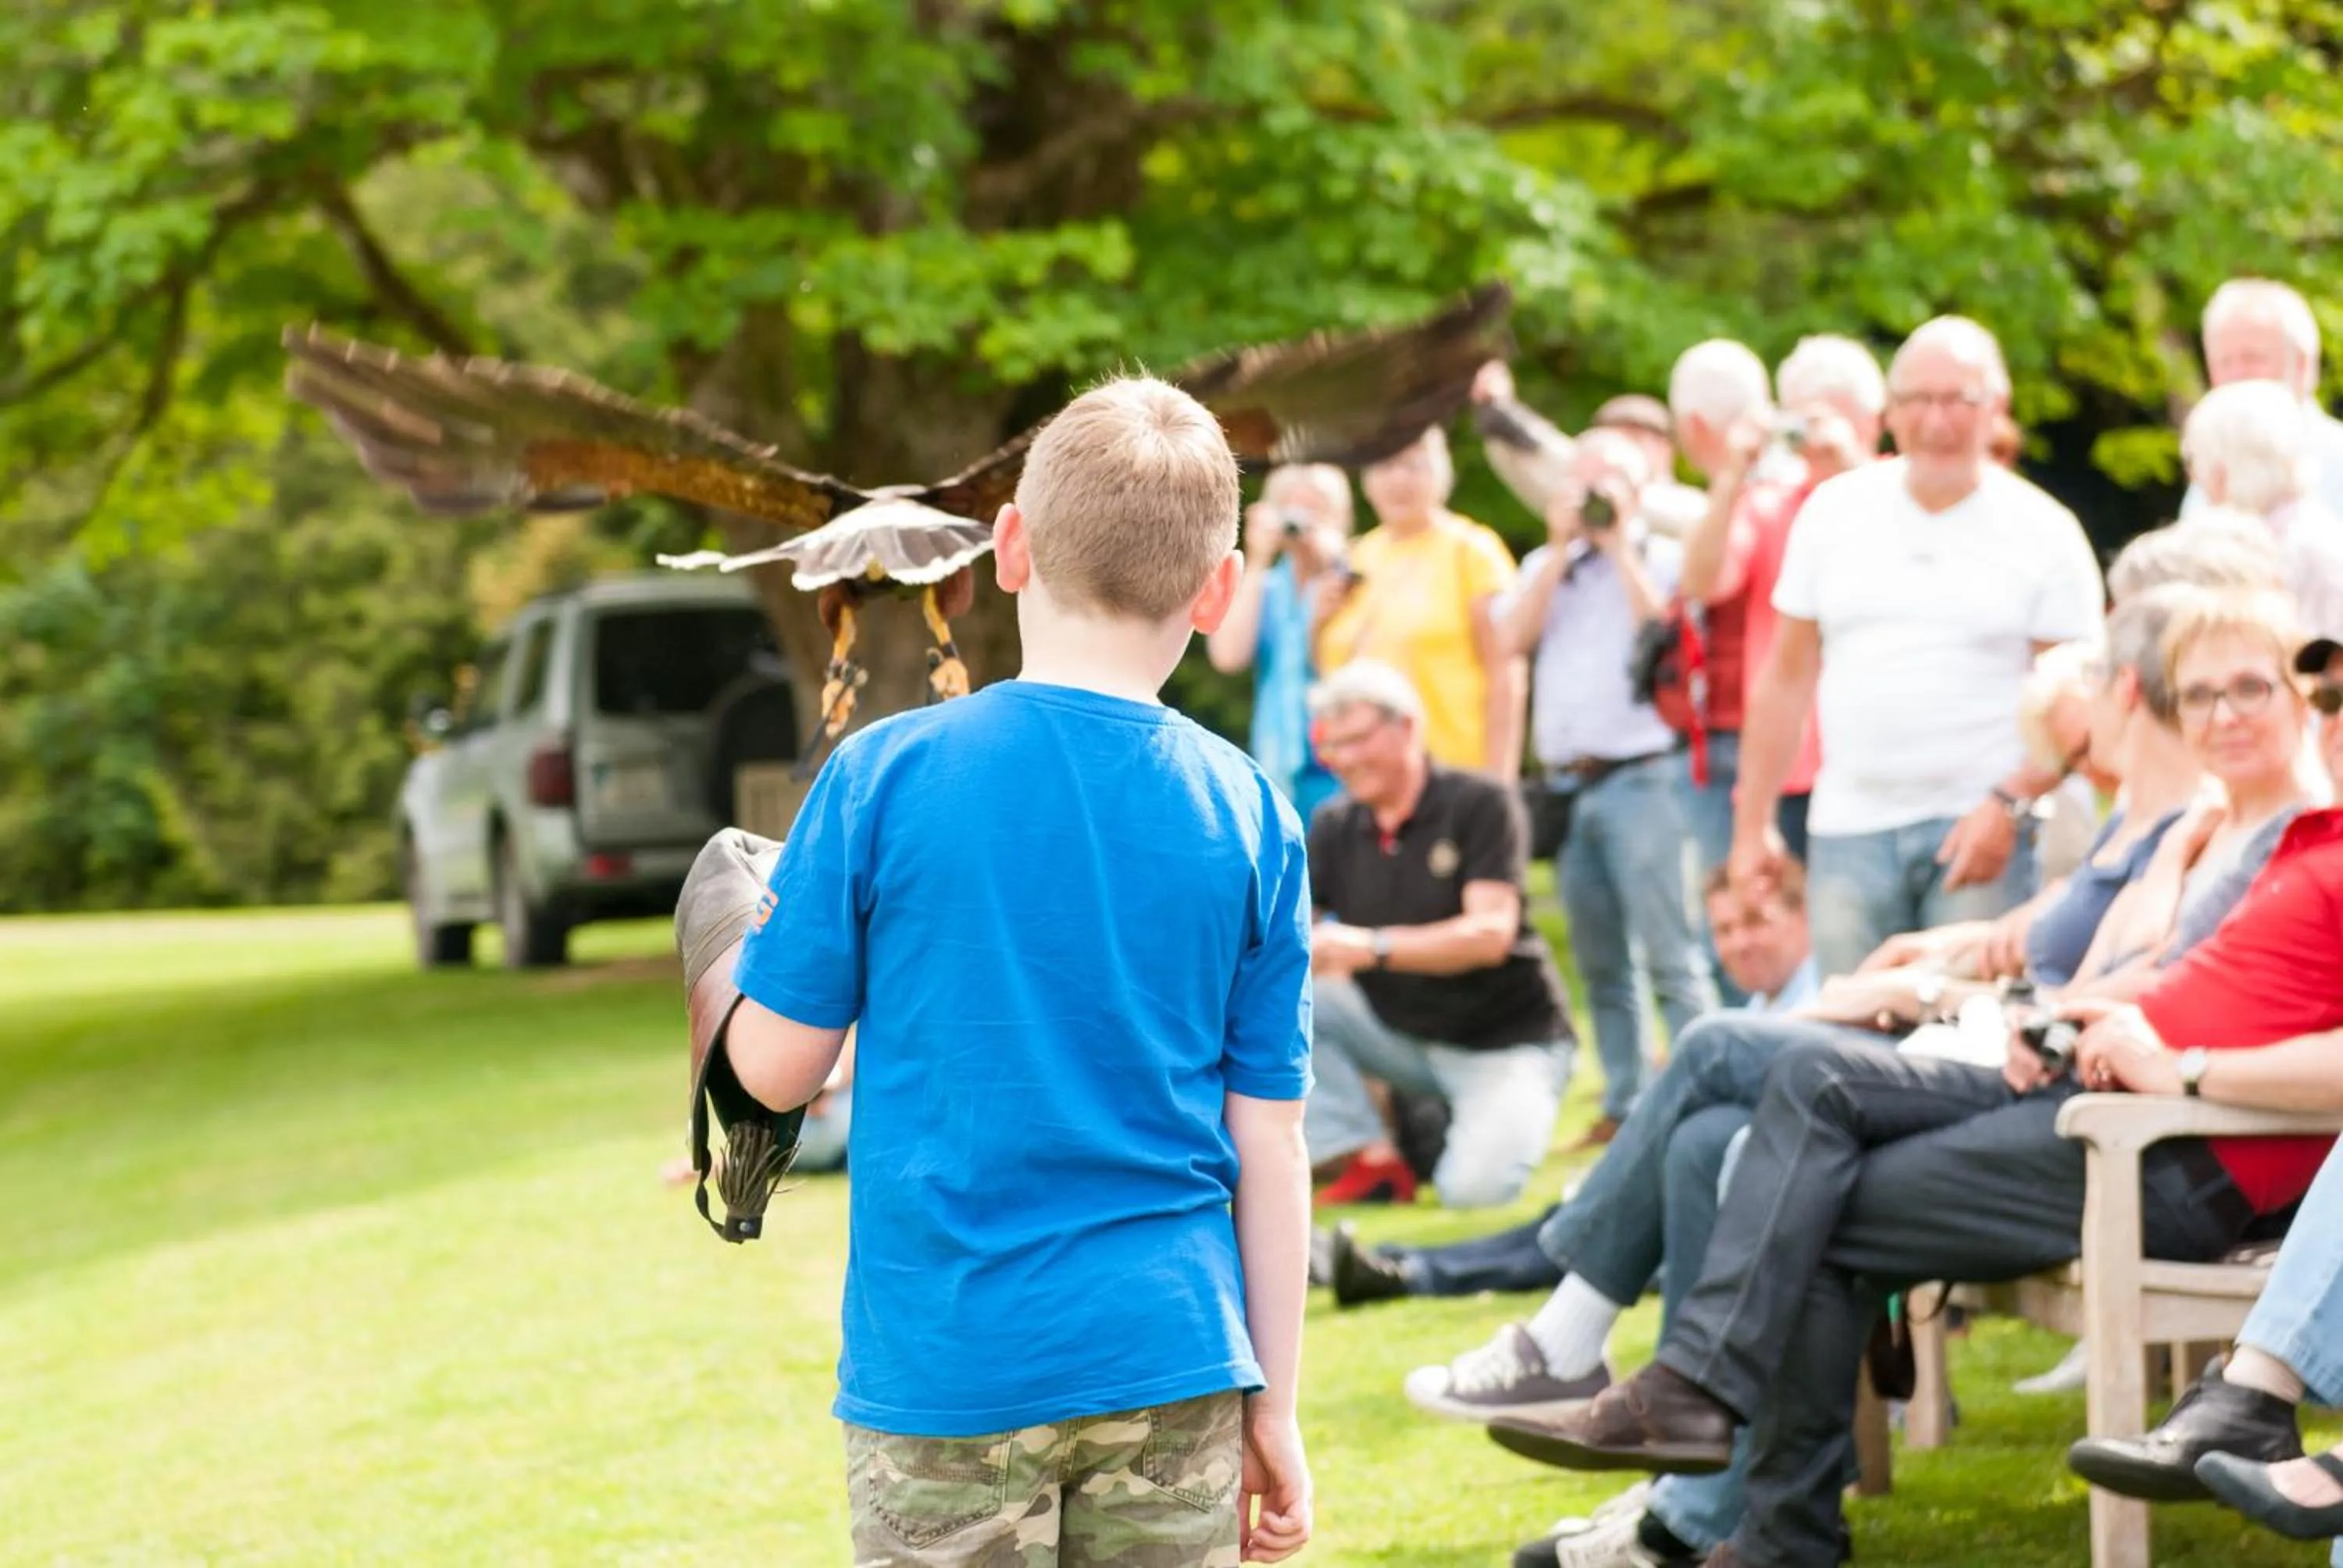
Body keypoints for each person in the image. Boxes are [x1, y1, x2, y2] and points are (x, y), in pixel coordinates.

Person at [1483, 593, 2343, 1568]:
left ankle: (1735, 1476)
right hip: (2081, 1077)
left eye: (2254, 689)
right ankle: (1727, 1469)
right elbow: (2164, 970)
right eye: (2203, 694)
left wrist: (2181, 1068)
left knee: (1802, 1165)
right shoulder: (2274, 839)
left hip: (2159, 1147)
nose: (2229, 712)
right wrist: (2064, 1012)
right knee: (1803, 1104)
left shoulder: (2313, 840)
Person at [716, 376, 1314, 1566]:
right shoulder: (1254, 811)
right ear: (1221, 588)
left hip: (952, 1358)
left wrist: (728, 949)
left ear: (1008, 547)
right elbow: (1272, 1144)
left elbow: (776, 1075)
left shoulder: (883, 776)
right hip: (1175, 1351)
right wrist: (1276, 1405)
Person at [1729, 315, 2106, 978]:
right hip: (1848, 825)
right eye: (1918, 401)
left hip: (1980, 832)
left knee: (1964, 1045)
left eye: (1959, 400)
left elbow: (2080, 702)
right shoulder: (1831, 513)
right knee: (1845, 1041)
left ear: (1996, 408)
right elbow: (1785, 679)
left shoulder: (2044, 531)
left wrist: (2011, 802)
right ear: (1890, 412)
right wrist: (1751, 822)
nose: (1938, 421)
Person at [1318, 861, 1814, 1310]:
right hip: (1698, 1190)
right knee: (1563, 1224)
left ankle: (1403, 1273)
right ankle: (1394, 1263)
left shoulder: (1820, 1001)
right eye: (1725, 930)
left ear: (1804, 919)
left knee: (1578, 1236)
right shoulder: (1760, 1010)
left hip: (1737, 1210)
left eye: (1757, 923)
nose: (1739, 944)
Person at [1496, 427, 1716, 1140]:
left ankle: (1705, 1091)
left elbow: (1669, 632)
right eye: (1579, 481)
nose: (1589, 497)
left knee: (1670, 951)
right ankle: (1625, 1103)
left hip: (1645, 774)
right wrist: (1561, 549)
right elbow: (1508, 642)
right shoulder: (1545, 565)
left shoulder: (1667, 560)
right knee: (1602, 963)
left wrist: (1622, 544)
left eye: (1606, 482)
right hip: (1568, 786)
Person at [1300, 659, 1576, 1208]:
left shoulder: (1480, 803)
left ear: (1407, 727)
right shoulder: (1333, 825)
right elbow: (1294, 938)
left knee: (1471, 1193)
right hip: (1398, 1037)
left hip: (1508, 1043)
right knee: (1282, 996)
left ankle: (1450, 1127)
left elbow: (1489, 934)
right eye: (1333, 748)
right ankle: (1370, 1156)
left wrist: (1370, 948)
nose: (1344, 761)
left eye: (1356, 740)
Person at [1314, 425, 1522, 778]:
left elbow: (1506, 671)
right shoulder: (1357, 556)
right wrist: (1318, 622)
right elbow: (1331, 672)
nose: (1398, 480)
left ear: (1442, 473)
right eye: (1385, 466)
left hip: (1452, 771)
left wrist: (1500, 779)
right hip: (1366, 780)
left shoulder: (1471, 550)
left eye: (1413, 466)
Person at [1206, 462, 1356, 819]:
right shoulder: (1269, 589)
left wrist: (1332, 559)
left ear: (1343, 518)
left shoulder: (1353, 582)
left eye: (1318, 510)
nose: (1303, 522)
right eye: (1293, 509)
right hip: (1278, 770)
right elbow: (1228, 656)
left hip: (1345, 770)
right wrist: (1257, 558)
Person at [2180, 377, 2343, 639]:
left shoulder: (2284, 546)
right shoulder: (2304, 528)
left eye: (2200, 464)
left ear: (2222, 472)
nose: (2198, 481)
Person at [2182, 277, 2343, 521]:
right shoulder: (2209, 472)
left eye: (2253, 359)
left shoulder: (2336, 461)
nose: (2237, 376)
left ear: (2302, 366)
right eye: (2224, 362)